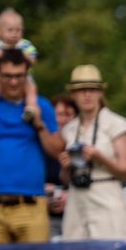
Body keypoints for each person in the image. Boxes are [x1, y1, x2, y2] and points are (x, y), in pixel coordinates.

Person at [58, 64, 126, 240]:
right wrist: (66, 166)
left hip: (106, 193)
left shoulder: (116, 124)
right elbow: (66, 178)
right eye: (81, 90)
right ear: (73, 95)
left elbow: (125, 171)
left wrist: (99, 156)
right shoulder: (70, 129)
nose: (87, 95)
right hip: (77, 196)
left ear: (101, 92)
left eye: (92, 89)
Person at [0, 49, 63, 243]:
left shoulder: (41, 105)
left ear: (27, 76)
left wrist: (39, 124)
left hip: (31, 205)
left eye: (19, 76)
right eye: (8, 76)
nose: (14, 82)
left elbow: (57, 150)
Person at [45, 94, 78, 239]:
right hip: (46, 215)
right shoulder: (42, 146)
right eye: (59, 114)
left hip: (76, 215)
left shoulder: (81, 147)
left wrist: (70, 195)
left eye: (68, 115)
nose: (63, 119)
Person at [0, 8, 38, 116]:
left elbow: (33, 61)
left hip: (24, 77)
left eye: (18, 30)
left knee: (32, 89)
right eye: (10, 30)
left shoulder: (25, 45)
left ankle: (31, 109)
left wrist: (24, 55)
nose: (14, 34)